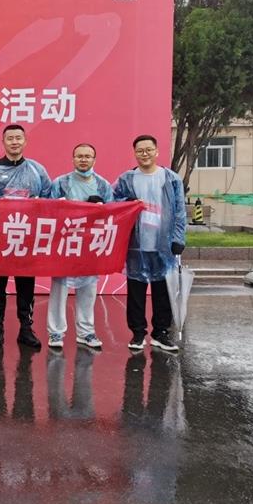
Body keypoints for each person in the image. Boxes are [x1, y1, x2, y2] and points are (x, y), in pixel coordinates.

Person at [0, 124, 52, 349]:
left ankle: (26, 328)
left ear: (25, 141)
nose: (15, 142)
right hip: (0, 237)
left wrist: (39, 204)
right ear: (3, 142)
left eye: (19, 138)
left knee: (26, 283)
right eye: (10, 138)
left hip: (27, 237)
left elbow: (49, 199)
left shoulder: (37, 170)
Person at [112, 134, 187, 354]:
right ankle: (137, 333)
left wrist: (178, 238)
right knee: (136, 290)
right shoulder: (127, 179)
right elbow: (112, 200)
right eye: (140, 151)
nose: (144, 154)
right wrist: (126, 202)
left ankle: (160, 333)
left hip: (163, 244)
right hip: (136, 243)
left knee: (162, 291)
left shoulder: (171, 179)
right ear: (134, 153)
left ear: (157, 151)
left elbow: (180, 211)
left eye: (148, 150)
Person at [46, 143, 114, 350]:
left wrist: (100, 208)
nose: (83, 159)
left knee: (88, 288)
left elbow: (113, 212)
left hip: (90, 244)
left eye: (88, 156)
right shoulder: (60, 183)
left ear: (94, 159)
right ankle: (56, 332)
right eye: (79, 156)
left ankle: (86, 332)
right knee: (59, 289)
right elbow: (48, 210)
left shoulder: (103, 185)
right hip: (65, 242)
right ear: (73, 158)